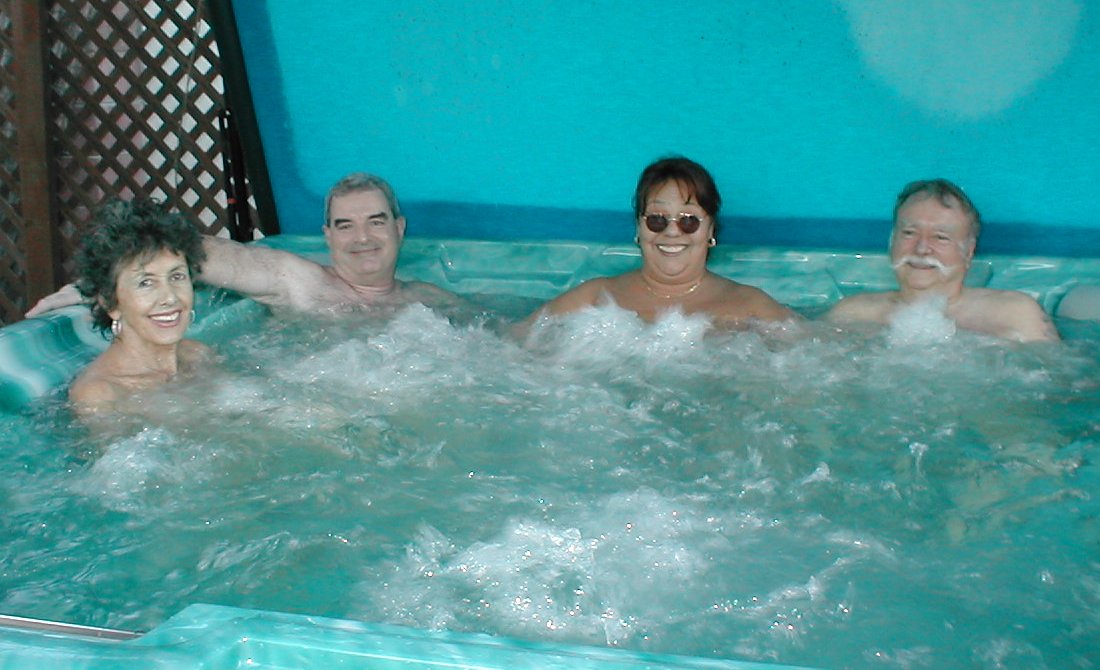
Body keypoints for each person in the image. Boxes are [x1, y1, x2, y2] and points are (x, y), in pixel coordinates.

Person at [26, 172, 462, 317]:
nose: (362, 238)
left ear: (399, 228)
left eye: (376, 222)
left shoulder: (429, 299)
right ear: (327, 236)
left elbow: (507, 336)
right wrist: (94, 287)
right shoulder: (302, 283)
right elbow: (194, 249)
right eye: (345, 225)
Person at [518, 156, 796, 332]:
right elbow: (511, 342)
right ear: (639, 228)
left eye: (689, 220)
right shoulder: (596, 297)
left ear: (710, 230)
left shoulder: (749, 305)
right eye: (657, 220)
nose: (672, 232)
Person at [825, 178, 1059, 342]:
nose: (922, 248)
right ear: (890, 242)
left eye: (940, 237)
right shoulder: (852, 313)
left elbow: (1060, 387)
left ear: (968, 252)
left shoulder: (1014, 313)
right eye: (909, 233)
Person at [68, 199, 212, 413]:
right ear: (110, 302)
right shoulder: (100, 395)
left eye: (177, 276)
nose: (170, 297)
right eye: (146, 282)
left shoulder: (197, 355)